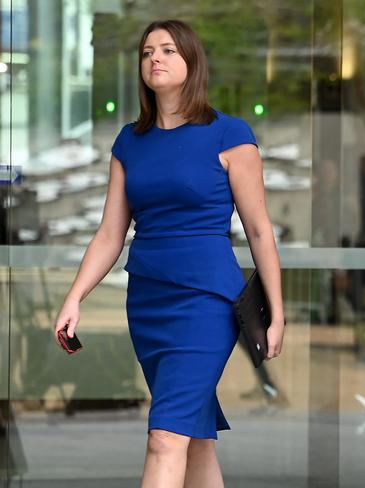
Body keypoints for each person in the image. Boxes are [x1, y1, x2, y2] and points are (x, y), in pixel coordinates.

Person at [53, 19, 285, 488]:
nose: (155, 58)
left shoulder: (229, 134)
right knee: (192, 439)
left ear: (191, 62)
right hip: (148, 302)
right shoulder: (128, 141)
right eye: (146, 52)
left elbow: (260, 230)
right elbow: (109, 234)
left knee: (164, 439)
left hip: (205, 301)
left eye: (168, 50)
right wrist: (74, 297)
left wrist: (276, 312)